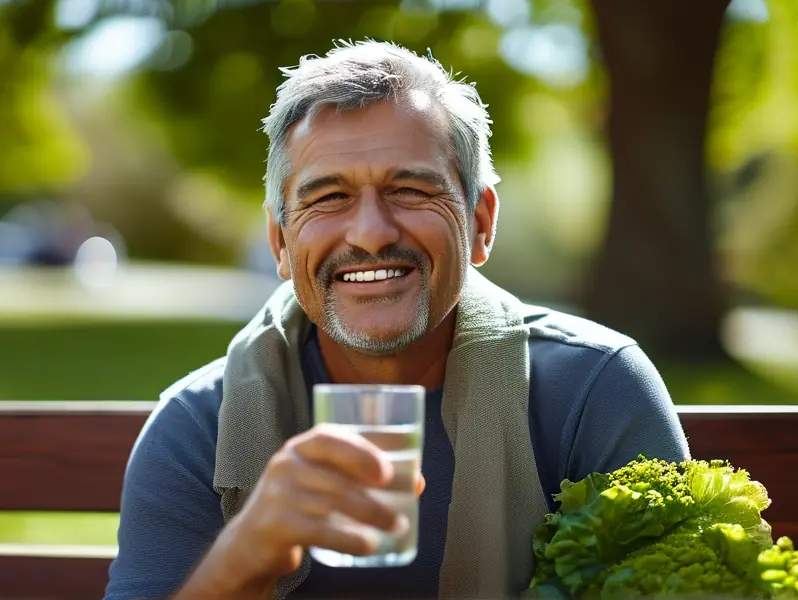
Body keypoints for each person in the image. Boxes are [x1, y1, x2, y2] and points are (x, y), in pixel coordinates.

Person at [104, 40, 690, 600]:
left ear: (481, 222)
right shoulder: (202, 422)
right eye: (328, 197)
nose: (371, 233)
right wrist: (246, 554)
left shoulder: (593, 390)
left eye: (410, 189)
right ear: (281, 243)